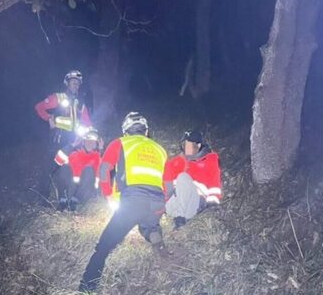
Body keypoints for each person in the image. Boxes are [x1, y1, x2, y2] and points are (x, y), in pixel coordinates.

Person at [79, 112, 168, 293]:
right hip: (157, 202)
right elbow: (168, 184)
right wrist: (161, 202)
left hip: (133, 200)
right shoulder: (160, 149)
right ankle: (153, 231)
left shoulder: (121, 142)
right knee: (146, 222)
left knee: (103, 246)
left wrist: (108, 195)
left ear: (125, 130)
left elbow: (104, 170)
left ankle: (87, 287)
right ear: (146, 131)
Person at [163, 130, 223, 229]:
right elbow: (167, 177)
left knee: (183, 177)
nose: (186, 147)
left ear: (198, 146)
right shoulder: (180, 161)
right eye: (184, 144)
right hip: (177, 202)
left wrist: (211, 203)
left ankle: (180, 218)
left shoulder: (210, 160)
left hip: (195, 203)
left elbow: (214, 185)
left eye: (189, 145)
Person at [35, 70, 92, 149]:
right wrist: (48, 118)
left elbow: (88, 123)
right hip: (60, 139)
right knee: (59, 160)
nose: (76, 85)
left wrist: (93, 135)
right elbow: (39, 107)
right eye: (73, 82)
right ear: (67, 83)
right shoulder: (58, 98)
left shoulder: (80, 104)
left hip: (76, 142)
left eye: (78, 83)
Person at [52, 128, 103, 211]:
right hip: (68, 190)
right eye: (88, 140)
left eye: (93, 141)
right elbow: (58, 160)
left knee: (89, 170)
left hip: (81, 194)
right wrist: (72, 145)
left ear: (97, 143)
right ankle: (63, 201)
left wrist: (101, 150)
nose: (90, 143)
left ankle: (74, 202)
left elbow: (101, 172)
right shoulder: (74, 153)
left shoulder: (97, 157)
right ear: (83, 141)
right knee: (65, 166)